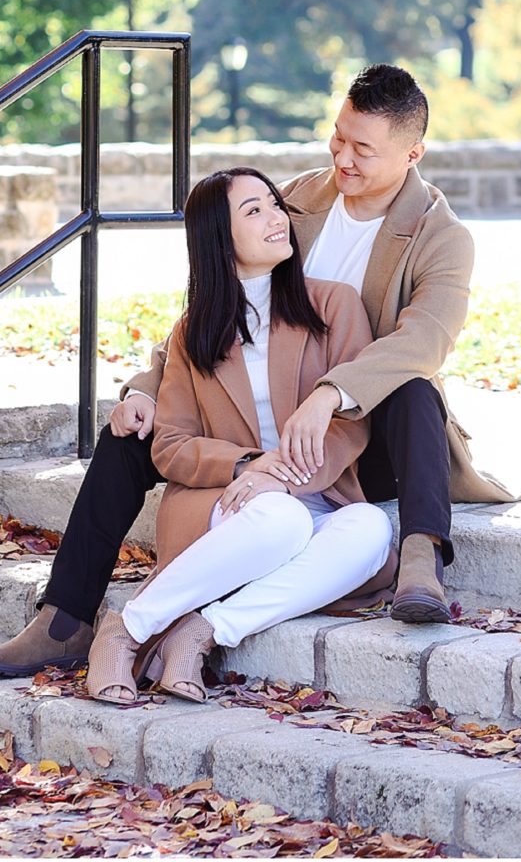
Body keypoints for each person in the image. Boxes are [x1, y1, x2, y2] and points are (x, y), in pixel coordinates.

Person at [0, 63, 510, 679]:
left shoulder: (440, 235)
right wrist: (145, 390)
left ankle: (421, 552)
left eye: (364, 149)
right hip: (257, 421)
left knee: (414, 390)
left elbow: (425, 340)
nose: (344, 157)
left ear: (413, 154)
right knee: (128, 433)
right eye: (338, 136)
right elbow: (219, 304)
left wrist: (332, 394)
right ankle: (65, 619)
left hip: (367, 428)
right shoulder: (296, 202)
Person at [85, 168, 394, 702]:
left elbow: (351, 420)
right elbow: (170, 444)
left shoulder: (334, 305)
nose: (278, 218)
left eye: (275, 204)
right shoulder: (192, 333)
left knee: (370, 528)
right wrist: (248, 465)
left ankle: (203, 631)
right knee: (280, 518)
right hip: (225, 502)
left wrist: (288, 478)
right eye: (254, 211)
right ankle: (125, 630)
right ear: (218, 238)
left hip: (318, 497)